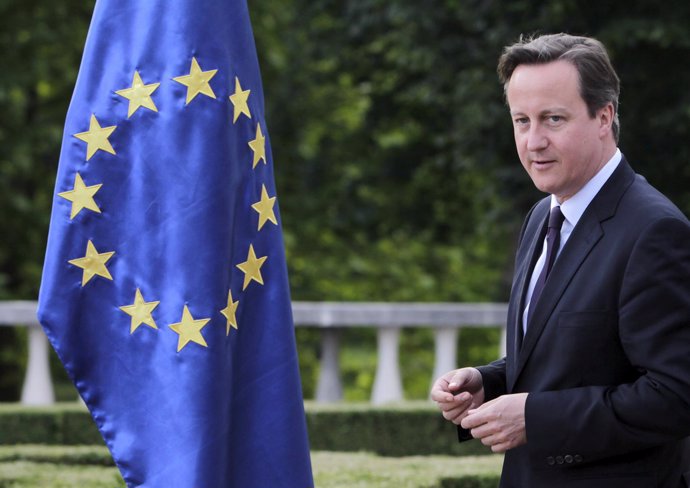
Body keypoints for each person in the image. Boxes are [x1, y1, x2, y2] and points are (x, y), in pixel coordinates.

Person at [431, 33, 690, 487]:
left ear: (604, 117)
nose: (534, 142)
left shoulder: (655, 231)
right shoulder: (542, 215)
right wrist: (488, 381)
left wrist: (536, 417)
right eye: (521, 120)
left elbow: (676, 396)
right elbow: (573, 355)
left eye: (553, 119)